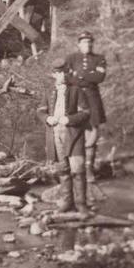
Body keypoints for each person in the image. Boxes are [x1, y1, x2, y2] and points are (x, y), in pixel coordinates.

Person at [39, 59, 93, 215]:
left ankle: (82, 205)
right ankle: (67, 203)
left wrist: (69, 119)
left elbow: (86, 113)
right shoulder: (49, 92)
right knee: (63, 170)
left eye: (62, 72)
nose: (60, 75)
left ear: (67, 72)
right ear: (53, 74)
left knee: (78, 170)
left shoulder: (77, 90)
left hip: (74, 135)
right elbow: (40, 111)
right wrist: (47, 119)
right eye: (57, 73)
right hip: (55, 135)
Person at [66, 32, 108, 188]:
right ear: (78, 44)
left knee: (92, 133)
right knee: (74, 131)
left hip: (92, 99)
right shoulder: (71, 58)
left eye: (89, 43)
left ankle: (89, 170)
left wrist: (79, 75)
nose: (87, 45)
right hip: (76, 98)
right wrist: (88, 75)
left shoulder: (99, 58)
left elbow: (99, 78)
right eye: (84, 42)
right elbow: (67, 78)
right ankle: (75, 169)